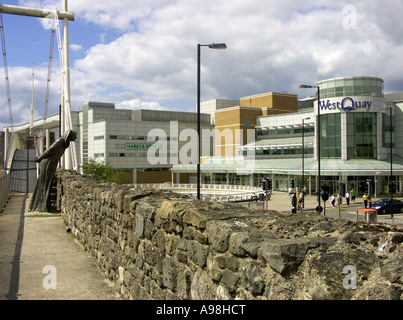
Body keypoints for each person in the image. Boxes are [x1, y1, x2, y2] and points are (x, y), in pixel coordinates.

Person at [29, 130, 77, 212]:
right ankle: (41, 207)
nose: (75, 137)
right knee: (44, 184)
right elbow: (49, 151)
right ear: (70, 135)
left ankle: (46, 205)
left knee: (48, 184)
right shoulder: (60, 141)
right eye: (74, 136)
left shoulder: (64, 143)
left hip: (51, 164)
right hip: (47, 164)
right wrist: (39, 158)